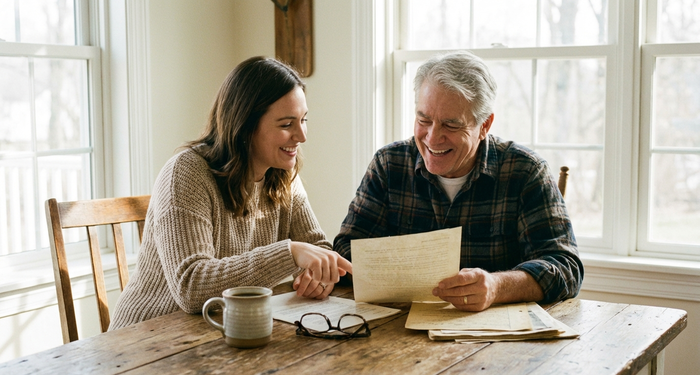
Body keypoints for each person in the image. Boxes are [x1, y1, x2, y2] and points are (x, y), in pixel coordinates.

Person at [110, 56, 351, 330]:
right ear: (246, 126)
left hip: (222, 334)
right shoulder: (186, 172)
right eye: (286, 124)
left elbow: (317, 247)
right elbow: (192, 286)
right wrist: (289, 254)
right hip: (149, 340)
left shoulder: (283, 176)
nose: (302, 135)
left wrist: (320, 277)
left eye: (303, 120)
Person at [333, 51, 582, 311]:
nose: (432, 137)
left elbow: (566, 267)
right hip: (398, 328)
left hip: (496, 342)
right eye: (423, 120)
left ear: (485, 125)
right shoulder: (389, 164)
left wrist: (496, 286)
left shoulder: (526, 171)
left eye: (451, 125)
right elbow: (347, 249)